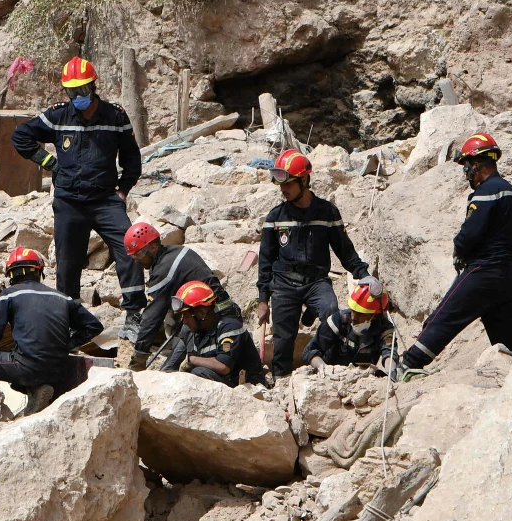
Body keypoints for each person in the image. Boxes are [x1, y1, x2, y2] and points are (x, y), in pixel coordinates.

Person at [11, 57, 147, 341]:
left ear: (93, 86)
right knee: (68, 263)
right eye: (72, 92)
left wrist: (123, 191)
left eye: (82, 91)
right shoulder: (58, 116)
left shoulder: (115, 116)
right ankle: (68, 321)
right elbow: (21, 136)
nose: (78, 97)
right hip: (69, 202)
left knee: (129, 248)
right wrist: (49, 161)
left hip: (104, 200)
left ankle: (134, 314)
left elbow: (132, 159)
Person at [398, 132, 512, 380]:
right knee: (508, 340)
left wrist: (459, 249)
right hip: (511, 275)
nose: (466, 171)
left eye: (467, 165)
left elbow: (470, 234)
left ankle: (408, 365)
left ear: (477, 163)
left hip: (484, 271)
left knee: (444, 317)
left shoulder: (486, 191)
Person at [0, 247, 104, 428]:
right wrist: (66, 344)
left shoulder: (9, 295)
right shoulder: (62, 297)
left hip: (27, 367)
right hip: (60, 368)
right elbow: (94, 326)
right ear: (39, 271)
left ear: (11, 275)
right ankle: (35, 390)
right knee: (20, 357)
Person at [256, 148, 373, 378]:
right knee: (284, 337)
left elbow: (344, 250)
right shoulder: (275, 218)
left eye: (288, 183)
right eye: (281, 184)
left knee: (331, 311)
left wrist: (363, 274)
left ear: (304, 180)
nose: (283, 189)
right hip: (283, 284)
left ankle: (325, 365)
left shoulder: (327, 213)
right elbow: (265, 260)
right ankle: (281, 380)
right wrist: (262, 299)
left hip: (316, 282)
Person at [123, 222, 239, 371]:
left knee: (188, 371)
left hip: (215, 322)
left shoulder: (165, 269)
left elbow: (152, 316)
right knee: (170, 368)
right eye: (133, 256)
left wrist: (139, 357)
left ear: (153, 247)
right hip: (204, 318)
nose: (137, 260)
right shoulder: (174, 253)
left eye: (138, 254)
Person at [163, 281, 266, 387]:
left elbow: (223, 366)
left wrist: (191, 359)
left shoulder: (229, 328)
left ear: (202, 313)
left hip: (247, 387)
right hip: (226, 384)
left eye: (187, 316)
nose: (184, 322)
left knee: (198, 373)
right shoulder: (199, 335)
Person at [303, 281, 397, 376]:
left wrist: (391, 372)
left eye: (360, 314)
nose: (353, 317)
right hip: (333, 374)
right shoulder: (338, 321)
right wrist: (325, 370)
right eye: (353, 311)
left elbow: (389, 354)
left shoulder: (384, 328)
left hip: (361, 378)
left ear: (375, 315)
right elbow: (309, 351)